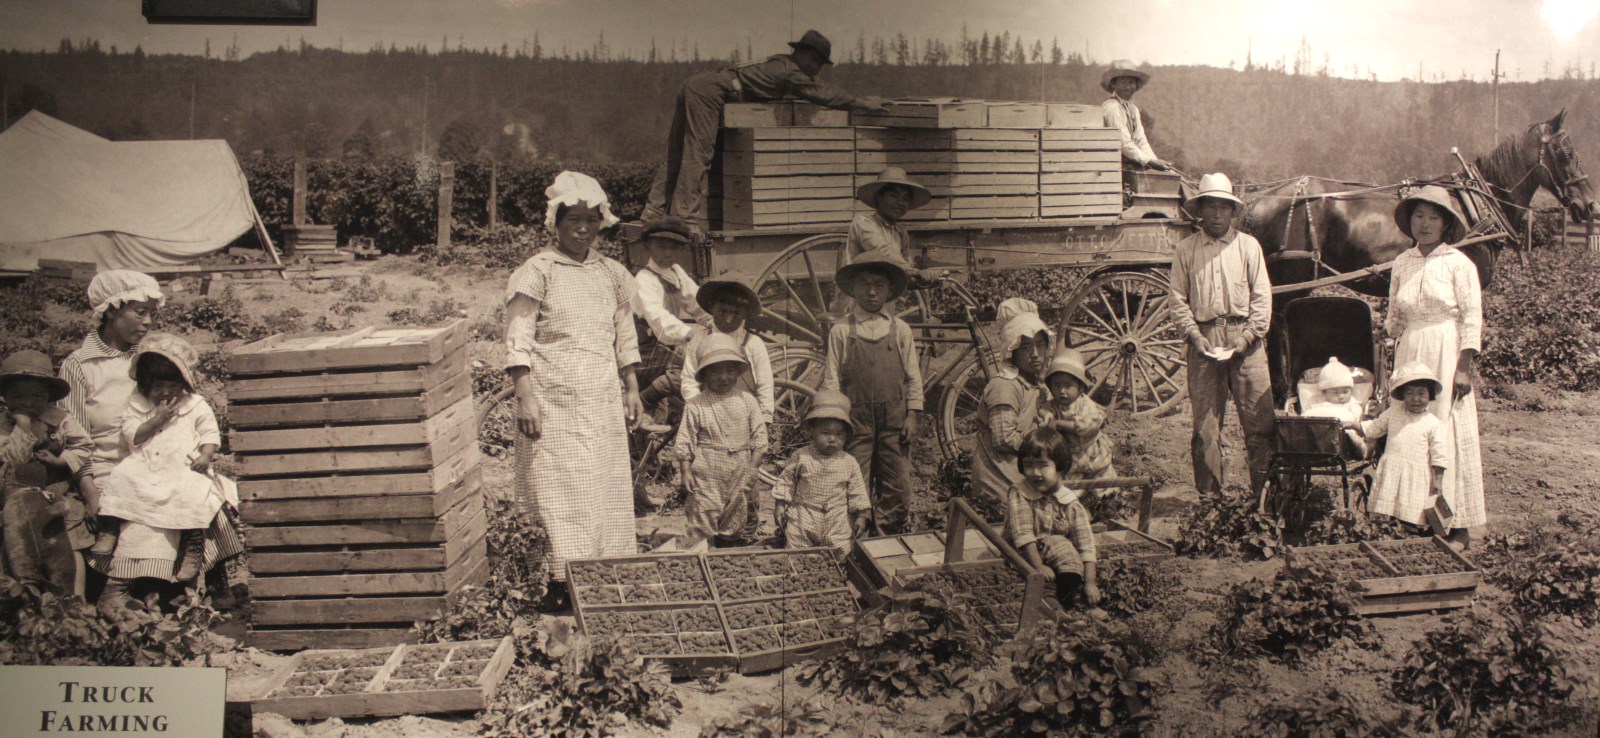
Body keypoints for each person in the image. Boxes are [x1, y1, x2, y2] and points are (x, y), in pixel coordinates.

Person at [61, 270, 249, 615]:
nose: (147, 322)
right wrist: (89, 492)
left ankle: (200, 581)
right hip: (109, 467)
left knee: (205, 492)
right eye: (138, 311)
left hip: (166, 459)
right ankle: (132, 588)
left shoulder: (155, 357)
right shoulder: (81, 366)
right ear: (111, 310)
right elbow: (73, 440)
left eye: (151, 312)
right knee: (145, 507)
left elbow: (192, 410)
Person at [505, 171, 644, 604]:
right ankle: (558, 580)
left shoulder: (613, 274)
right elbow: (518, 338)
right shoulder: (537, 272)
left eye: (591, 219)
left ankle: (601, 569)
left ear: (601, 223)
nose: (582, 229)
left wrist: (632, 388)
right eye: (573, 220)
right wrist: (525, 396)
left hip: (600, 398)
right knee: (556, 486)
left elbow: (624, 335)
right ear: (556, 223)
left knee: (602, 482)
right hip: (553, 400)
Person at [642, 30, 888, 229]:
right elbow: (822, 94)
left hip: (697, 85)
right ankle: (683, 219)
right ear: (800, 53)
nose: (815, 68)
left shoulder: (779, 62)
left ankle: (652, 211)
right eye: (813, 61)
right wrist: (861, 102)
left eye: (820, 64)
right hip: (709, 92)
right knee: (698, 153)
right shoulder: (790, 71)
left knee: (676, 152)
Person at [97, 334, 241, 597]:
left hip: (184, 466)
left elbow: (210, 433)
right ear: (144, 384)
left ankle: (193, 543)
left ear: (184, 385)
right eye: (159, 387)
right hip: (146, 464)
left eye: (173, 387)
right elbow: (134, 436)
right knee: (120, 476)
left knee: (196, 492)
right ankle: (109, 527)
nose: (166, 393)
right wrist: (157, 420)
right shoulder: (137, 404)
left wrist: (206, 456)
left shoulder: (194, 404)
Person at [1386, 185, 1486, 549]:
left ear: (1446, 224)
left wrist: (1464, 367)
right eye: (1418, 216)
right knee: (1409, 429)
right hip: (1411, 349)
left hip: (1445, 349)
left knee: (1444, 428)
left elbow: (1472, 318)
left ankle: (1457, 525)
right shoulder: (1402, 262)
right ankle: (1416, 518)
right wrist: (1390, 352)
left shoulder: (1459, 264)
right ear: (1409, 221)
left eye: (1433, 217)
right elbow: (1394, 316)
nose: (1425, 224)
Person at [1169, 172, 1275, 496]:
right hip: (1204, 341)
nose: (1217, 214)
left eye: (1223, 207)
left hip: (1246, 339)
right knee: (1206, 430)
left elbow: (1262, 299)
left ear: (1233, 211)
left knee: (1261, 425)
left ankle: (1264, 502)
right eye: (1210, 207)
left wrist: (1245, 340)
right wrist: (1196, 337)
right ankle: (1211, 507)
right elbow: (1177, 301)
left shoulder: (1248, 247)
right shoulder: (1186, 250)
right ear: (1200, 210)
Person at [821, 250, 923, 534]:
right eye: (864, 284)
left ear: (890, 291)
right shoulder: (842, 331)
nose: (872, 291)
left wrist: (912, 414)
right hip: (856, 422)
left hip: (894, 421)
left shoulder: (900, 330)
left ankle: (887, 536)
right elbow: (831, 380)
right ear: (853, 289)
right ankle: (856, 540)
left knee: (898, 485)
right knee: (854, 481)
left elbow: (913, 377)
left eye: (879, 285)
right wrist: (835, 420)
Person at [0, 349, 93, 594]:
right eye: (18, 396)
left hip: (56, 492)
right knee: (17, 543)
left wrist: (61, 460)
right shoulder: (4, 424)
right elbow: (15, 458)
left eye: (36, 396)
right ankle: (25, 598)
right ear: (5, 397)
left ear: (49, 396)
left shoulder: (60, 419)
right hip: (15, 496)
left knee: (69, 542)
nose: (28, 403)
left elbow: (83, 445)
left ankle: (75, 602)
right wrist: (23, 427)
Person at [673, 333, 768, 546]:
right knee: (703, 513)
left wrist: (753, 467)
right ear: (704, 374)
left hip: (740, 469)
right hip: (707, 471)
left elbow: (760, 436)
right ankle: (701, 553)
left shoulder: (747, 401)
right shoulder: (696, 405)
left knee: (735, 513)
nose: (723, 377)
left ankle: (727, 554)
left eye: (729, 370)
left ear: (737, 372)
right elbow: (685, 440)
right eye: (715, 371)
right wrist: (685, 471)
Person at [1006, 427, 1102, 612]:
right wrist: (1038, 566)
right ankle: (1052, 604)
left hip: (1058, 558)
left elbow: (1086, 544)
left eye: (1043, 465)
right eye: (1028, 465)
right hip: (1024, 554)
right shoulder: (1020, 494)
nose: (1035, 472)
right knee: (1055, 554)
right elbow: (1023, 534)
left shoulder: (1069, 502)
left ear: (1060, 468)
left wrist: (1090, 582)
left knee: (1065, 548)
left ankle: (1074, 596)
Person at [632, 216, 712, 424]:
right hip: (644, 349)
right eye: (661, 247)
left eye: (673, 249)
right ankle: (644, 400)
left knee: (704, 358)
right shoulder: (644, 279)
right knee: (694, 366)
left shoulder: (675, 272)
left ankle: (659, 405)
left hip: (662, 347)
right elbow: (659, 318)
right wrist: (688, 333)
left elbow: (696, 301)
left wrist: (711, 319)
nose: (667, 253)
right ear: (648, 246)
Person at [770, 390, 869, 555]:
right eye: (825, 433)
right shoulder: (801, 456)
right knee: (797, 546)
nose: (832, 439)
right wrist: (780, 505)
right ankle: (799, 570)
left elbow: (857, 491)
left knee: (840, 550)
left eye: (839, 434)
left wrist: (861, 515)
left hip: (837, 517)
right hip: (805, 513)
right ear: (812, 431)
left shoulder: (849, 461)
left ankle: (836, 570)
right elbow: (787, 481)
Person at [974, 298, 1051, 504]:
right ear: (1012, 351)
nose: (1035, 354)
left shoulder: (1035, 384)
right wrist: (1044, 444)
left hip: (1024, 470)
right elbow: (1004, 439)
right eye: (1026, 348)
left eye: (1040, 345)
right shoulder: (1004, 387)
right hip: (1001, 480)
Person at [1359, 362, 1446, 532]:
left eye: (1421, 394)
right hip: (1392, 466)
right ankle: (1385, 531)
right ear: (1403, 396)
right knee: (1388, 504)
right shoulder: (1393, 413)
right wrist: (1355, 425)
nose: (1416, 399)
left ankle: (1410, 532)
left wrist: (1438, 480)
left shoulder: (1434, 424)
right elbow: (1374, 429)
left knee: (1411, 506)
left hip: (1416, 473)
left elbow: (1439, 455)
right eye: (1410, 393)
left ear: (1430, 396)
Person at [680, 273, 774, 430]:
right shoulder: (700, 339)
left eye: (736, 313)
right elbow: (689, 379)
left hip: (744, 419)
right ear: (711, 308)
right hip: (708, 418)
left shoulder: (753, 343)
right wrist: (700, 411)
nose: (728, 320)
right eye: (722, 311)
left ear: (746, 314)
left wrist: (763, 420)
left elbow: (765, 385)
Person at [1043, 348, 1118, 482]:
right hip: (1070, 455)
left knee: (1104, 480)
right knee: (1072, 484)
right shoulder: (1054, 404)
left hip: (1092, 452)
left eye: (1068, 386)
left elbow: (1086, 427)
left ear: (1081, 387)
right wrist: (1047, 415)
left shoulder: (1085, 404)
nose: (1062, 391)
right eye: (1057, 386)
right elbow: (1045, 410)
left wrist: (1059, 424)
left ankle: (1110, 498)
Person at [844, 167, 932, 266]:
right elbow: (882, 252)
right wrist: (910, 270)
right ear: (878, 197)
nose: (901, 202)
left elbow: (906, 261)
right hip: (862, 280)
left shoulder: (901, 231)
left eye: (906, 198)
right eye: (893, 196)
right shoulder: (862, 222)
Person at [1100, 60, 1173, 173]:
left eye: (1131, 82)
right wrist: (1150, 162)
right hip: (1115, 169)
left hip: (1131, 165)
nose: (1128, 87)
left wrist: (1156, 162)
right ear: (1113, 84)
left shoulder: (1133, 109)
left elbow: (1141, 140)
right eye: (1123, 82)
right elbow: (1124, 144)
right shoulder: (1111, 108)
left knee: (1171, 177)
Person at [1302, 357, 1368, 457]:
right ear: (1324, 392)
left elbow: (1356, 419)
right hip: (1316, 434)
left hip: (1340, 438)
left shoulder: (1351, 404)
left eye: (1345, 392)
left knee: (1349, 432)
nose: (1341, 396)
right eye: (1335, 392)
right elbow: (1307, 413)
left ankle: (1358, 448)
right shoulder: (1317, 401)